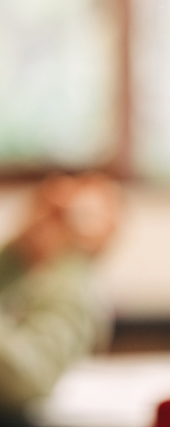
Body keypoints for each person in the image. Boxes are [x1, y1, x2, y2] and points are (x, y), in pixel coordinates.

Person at [0, 172, 120, 412]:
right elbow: (27, 379)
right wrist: (71, 257)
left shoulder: (42, 278)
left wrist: (20, 252)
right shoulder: (70, 283)